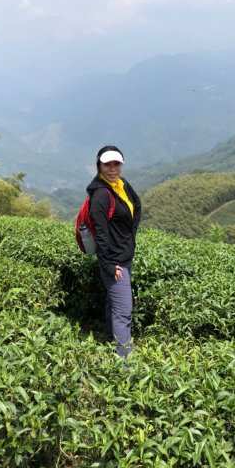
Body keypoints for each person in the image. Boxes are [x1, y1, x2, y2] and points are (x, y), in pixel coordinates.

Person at [86, 145, 142, 359]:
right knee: (123, 312)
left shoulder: (122, 184)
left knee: (114, 302)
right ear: (99, 166)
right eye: (107, 164)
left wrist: (130, 235)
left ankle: (112, 344)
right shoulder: (101, 194)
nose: (112, 168)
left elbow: (136, 205)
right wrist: (109, 264)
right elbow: (100, 234)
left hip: (124, 255)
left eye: (116, 164)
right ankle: (124, 362)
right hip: (115, 261)